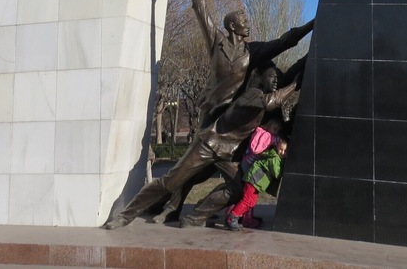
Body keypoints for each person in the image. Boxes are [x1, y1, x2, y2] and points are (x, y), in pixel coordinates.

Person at [150, 0, 314, 223]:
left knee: (231, 177)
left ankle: (202, 211)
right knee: (192, 171)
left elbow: (284, 41)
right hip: (213, 115)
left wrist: (311, 26)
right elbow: (200, 8)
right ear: (231, 26)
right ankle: (170, 208)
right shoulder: (218, 43)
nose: (248, 22)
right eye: (243, 20)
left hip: (234, 126)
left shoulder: (253, 53)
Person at [104, 65, 300, 230]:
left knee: (240, 188)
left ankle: (194, 218)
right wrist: (295, 85)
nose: (276, 81)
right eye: (272, 76)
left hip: (226, 152)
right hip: (209, 143)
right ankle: (125, 215)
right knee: (170, 181)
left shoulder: (265, 105)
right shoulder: (254, 94)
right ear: (260, 78)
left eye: (278, 78)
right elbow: (271, 101)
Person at [225, 136, 288, 231]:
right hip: (253, 181)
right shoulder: (274, 157)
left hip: (255, 183)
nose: (282, 153)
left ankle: (235, 215)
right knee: (248, 201)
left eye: (285, 151)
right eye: (280, 149)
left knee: (251, 201)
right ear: (277, 147)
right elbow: (277, 173)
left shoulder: (276, 157)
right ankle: (232, 217)